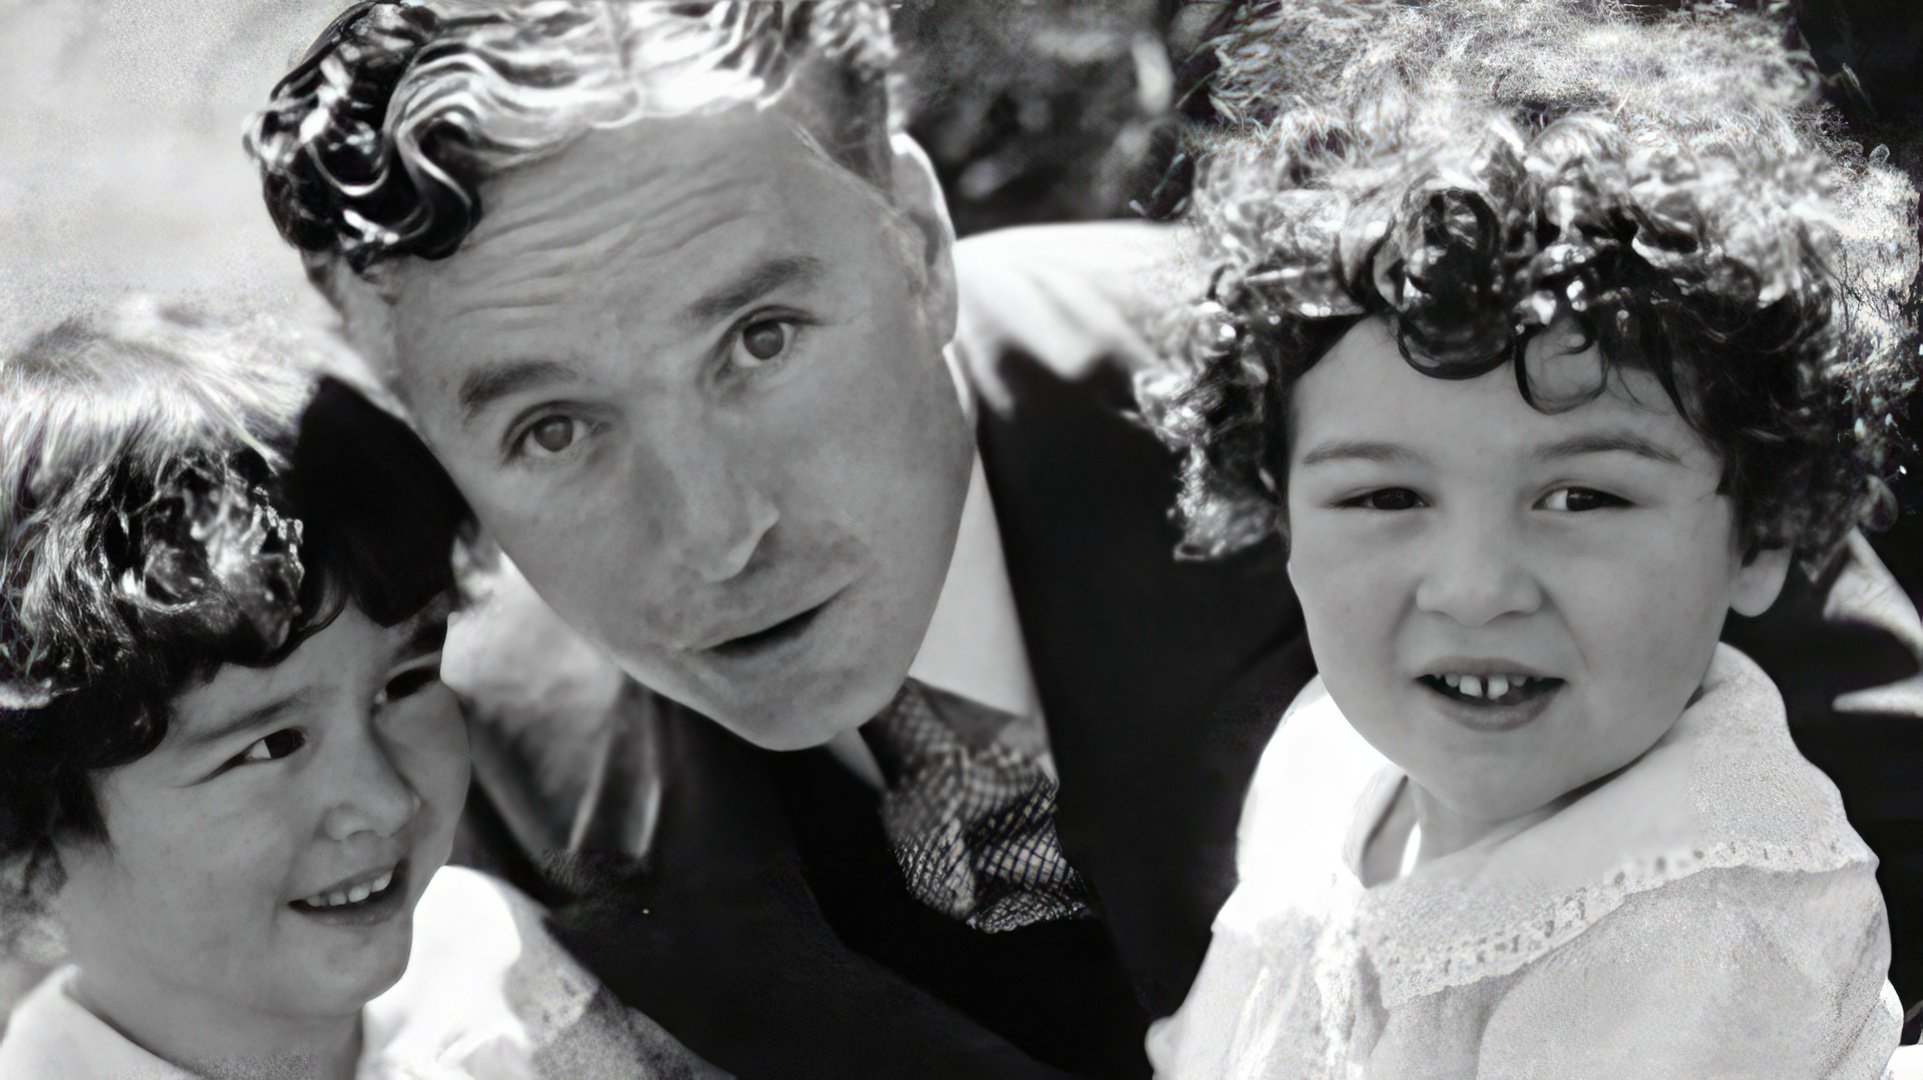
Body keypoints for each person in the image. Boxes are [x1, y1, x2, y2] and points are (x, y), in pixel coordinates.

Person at [244, 2, 1923, 1075]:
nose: (716, 534)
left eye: (757, 341)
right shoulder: (484, 771)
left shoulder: (1400, 368)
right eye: (549, 427)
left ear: (910, 232)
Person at [1138, 0, 1918, 1075]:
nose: (1472, 589)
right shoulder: (1329, 759)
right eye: (1385, 499)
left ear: (1763, 529)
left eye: (1581, 499)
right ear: (1276, 507)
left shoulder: (1706, 914)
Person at [0, 300, 722, 1078]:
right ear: (29, 860)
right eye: (270, 744)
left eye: (403, 684)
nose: (385, 801)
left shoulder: (492, 960)